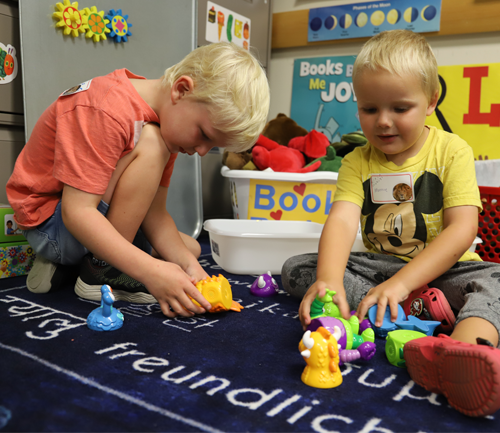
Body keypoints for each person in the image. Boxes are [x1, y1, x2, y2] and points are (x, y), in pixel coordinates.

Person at [281, 29, 500, 417]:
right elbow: (343, 220)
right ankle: (396, 309)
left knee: (495, 281)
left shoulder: (453, 150)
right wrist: (330, 280)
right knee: (299, 267)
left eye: (400, 109)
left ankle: (462, 353)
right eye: (369, 109)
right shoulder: (355, 161)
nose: (383, 122)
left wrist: (403, 284)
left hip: (446, 271)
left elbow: (462, 229)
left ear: (431, 101)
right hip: (380, 271)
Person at [7, 42, 270, 319]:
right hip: (51, 225)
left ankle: (76, 264)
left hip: (82, 216)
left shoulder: (165, 124)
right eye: (204, 135)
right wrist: (150, 271)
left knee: (188, 249)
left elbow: (155, 214)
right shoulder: (108, 109)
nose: (201, 153)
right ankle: (101, 270)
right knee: (153, 146)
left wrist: (194, 270)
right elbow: (77, 211)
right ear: (181, 90)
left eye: (212, 146)